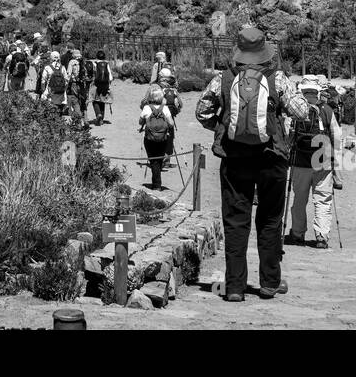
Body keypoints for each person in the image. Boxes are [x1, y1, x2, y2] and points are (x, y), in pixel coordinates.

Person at [196, 25, 306, 302]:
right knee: (269, 220)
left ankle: (234, 287)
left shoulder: (223, 79)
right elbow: (302, 111)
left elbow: (202, 112)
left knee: (235, 221)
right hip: (272, 159)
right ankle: (269, 283)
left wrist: (224, 128)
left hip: (234, 159)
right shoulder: (278, 80)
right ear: (264, 51)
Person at [286, 75, 344, 249]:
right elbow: (337, 137)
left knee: (299, 199)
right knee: (323, 199)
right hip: (323, 161)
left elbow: (288, 135)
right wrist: (336, 163)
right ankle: (321, 236)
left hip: (300, 161)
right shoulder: (326, 110)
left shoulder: (294, 110)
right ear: (318, 91)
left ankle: (297, 233)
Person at [139, 94, 175, 190]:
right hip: (163, 138)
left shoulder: (147, 108)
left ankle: (156, 185)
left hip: (149, 138)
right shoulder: (165, 108)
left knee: (153, 160)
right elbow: (171, 123)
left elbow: (140, 121)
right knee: (158, 160)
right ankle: (157, 183)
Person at [89, 49, 113, 125]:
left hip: (97, 85)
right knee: (102, 100)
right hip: (105, 85)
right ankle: (101, 118)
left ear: (97, 56)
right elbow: (111, 77)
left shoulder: (95, 63)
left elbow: (93, 74)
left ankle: (98, 114)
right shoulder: (107, 64)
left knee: (95, 100)